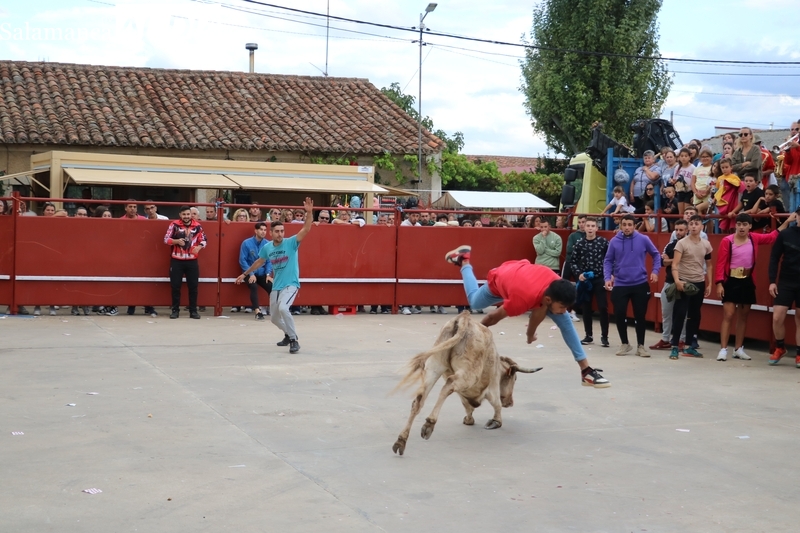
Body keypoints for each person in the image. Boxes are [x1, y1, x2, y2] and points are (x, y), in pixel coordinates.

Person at [444, 245, 610, 388]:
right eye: (562, 307)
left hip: (521, 273)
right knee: (474, 301)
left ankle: (586, 370)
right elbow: (493, 317)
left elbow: (539, 309)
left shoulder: (556, 284)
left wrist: (530, 333)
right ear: (548, 300)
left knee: (565, 321)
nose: (563, 310)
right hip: (500, 279)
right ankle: (464, 261)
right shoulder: (521, 299)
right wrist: (473, 334)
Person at [236, 198, 314, 354]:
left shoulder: (291, 242)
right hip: (277, 285)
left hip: (290, 284)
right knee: (274, 318)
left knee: (284, 309)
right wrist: (244, 274)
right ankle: (287, 334)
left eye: (282, 231)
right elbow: (259, 262)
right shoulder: (267, 247)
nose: (280, 234)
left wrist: (309, 212)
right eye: (277, 231)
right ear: (270, 233)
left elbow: (306, 229)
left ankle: (293, 340)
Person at [715, 213, 793, 361]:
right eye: (739, 224)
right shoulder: (727, 241)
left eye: (744, 224)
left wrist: (788, 221)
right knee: (729, 315)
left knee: (743, 317)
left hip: (747, 280)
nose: (741, 227)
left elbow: (772, 236)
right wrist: (719, 283)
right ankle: (723, 349)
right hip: (731, 280)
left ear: (750, 226)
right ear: (735, 225)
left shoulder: (754, 238)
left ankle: (738, 349)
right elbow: (720, 263)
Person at [603, 214, 661, 358]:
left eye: (630, 224)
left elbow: (656, 255)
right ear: (620, 226)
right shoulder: (614, 241)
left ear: (634, 226)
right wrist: (607, 278)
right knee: (619, 313)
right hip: (620, 284)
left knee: (640, 316)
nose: (627, 227)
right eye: (624, 225)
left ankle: (641, 346)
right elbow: (608, 260)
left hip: (640, 283)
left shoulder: (643, 239)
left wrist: (655, 271)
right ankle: (625, 343)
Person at [668, 215, 713, 359]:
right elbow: (674, 264)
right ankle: (674, 346)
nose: (694, 226)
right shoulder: (681, 243)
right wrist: (677, 281)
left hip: (699, 281)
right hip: (684, 281)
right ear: (688, 227)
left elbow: (709, 265)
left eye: (696, 224)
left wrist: (710, 283)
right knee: (680, 313)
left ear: (702, 227)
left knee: (695, 314)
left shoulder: (706, 244)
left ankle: (689, 346)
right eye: (691, 224)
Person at [569, 217, 609, 347]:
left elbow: (610, 259)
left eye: (593, 226)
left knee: (603, 306)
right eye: (588, 226)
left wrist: (610, 275)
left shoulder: (603, 242)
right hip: (586, 279)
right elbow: (572, 261)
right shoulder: (579, 244)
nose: (590, 228)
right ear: (584, 228)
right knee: (586, 308)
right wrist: (579, 274)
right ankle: (588, 335)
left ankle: (604, 336)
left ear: (597, 228)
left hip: (600, 278)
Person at [767, 208, 800, 367]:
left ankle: (799, 354)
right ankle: (780, 347)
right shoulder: (786, 234)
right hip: (786, 280)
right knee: (777, 316)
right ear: (796, 216)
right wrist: (772, 281)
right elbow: (774, 257)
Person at [650, 219, 689, 351]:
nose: (678, 232)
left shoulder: (690, 245)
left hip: (685, 281)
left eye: (681, 230)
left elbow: (688, 263)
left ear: (686, 230)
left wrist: (671, 261)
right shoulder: (670, 245)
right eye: (677, 230)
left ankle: (681, 340)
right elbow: (663, 262)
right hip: (670, 281)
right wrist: (676, 261)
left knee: (682, 313)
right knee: (666, 311)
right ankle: (666, 338)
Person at [164, 206, 207, 319]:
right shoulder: (174, 225)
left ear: (191, 215)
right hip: (176, 260)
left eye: (188, 214)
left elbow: (204, 240)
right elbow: (166, 239)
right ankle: (175, 310)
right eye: (184, 214)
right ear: (180, 215)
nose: (187, 216)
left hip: (192, 261)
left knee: (193, 287)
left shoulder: (197, 225)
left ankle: (193, 311)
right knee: (175, 286)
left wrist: (199, 247)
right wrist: (176, 241)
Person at [239, 222, 273, 320]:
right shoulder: (246, 243)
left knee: (272, 287)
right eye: (261, 230)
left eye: (265, 230)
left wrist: (268, 274)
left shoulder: (267, 244)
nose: (263, 232)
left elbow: (269, 261)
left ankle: (274, 310)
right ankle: (258, 312)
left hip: (262, 273)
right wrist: (251, 274)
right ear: (256, 231)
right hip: (249, 272)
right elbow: (243, 260)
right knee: (253, 286)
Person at [674, 148, 696, 215]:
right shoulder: (677, 167)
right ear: (679, 157)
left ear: (689, 157)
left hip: (689, 192)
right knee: (680, 212)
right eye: (682, 156)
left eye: (686, 156)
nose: (683, 158)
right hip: (680, 191)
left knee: (687, 212)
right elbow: (675, 179)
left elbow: (695, 181)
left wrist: (694, 194)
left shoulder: (693, 167)